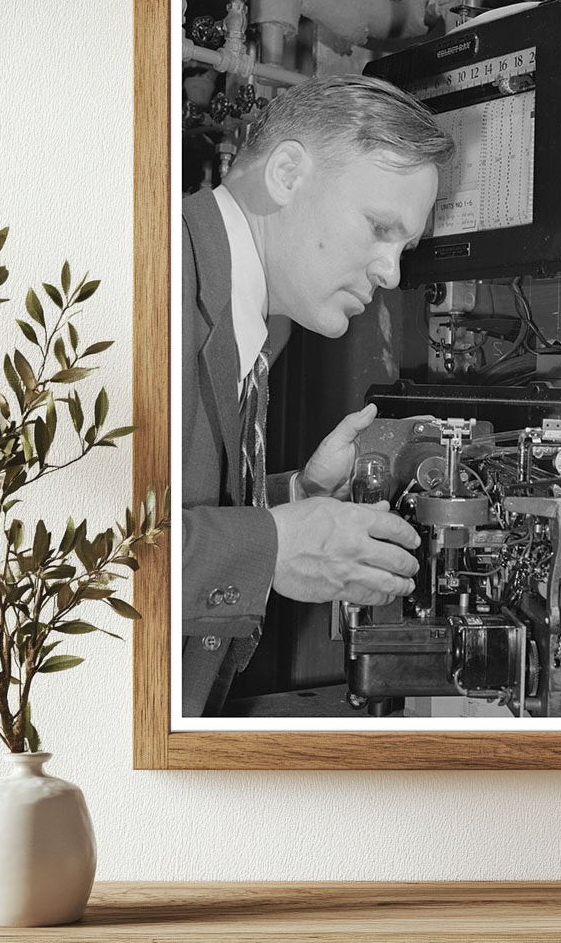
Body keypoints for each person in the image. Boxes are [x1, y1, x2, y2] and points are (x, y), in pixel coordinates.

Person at [181, 74, 453, 717]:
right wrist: (274, 545)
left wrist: (297, 495)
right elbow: (52, 549)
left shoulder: (243, 311)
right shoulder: (153, 276)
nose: (391, 272)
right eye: (380, 227)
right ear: (286, 174)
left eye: (404, 246)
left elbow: (159, 508)